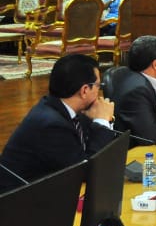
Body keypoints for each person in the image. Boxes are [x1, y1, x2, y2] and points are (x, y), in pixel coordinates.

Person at [0, 54, 115, 193]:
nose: (99, 91)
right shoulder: (51, 125)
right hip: (19, 200)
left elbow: (86, 153)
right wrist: (102, 121)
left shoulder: (64, 108)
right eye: (98, 86)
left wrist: (99, 121)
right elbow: (86, 172)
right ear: (84, 90)